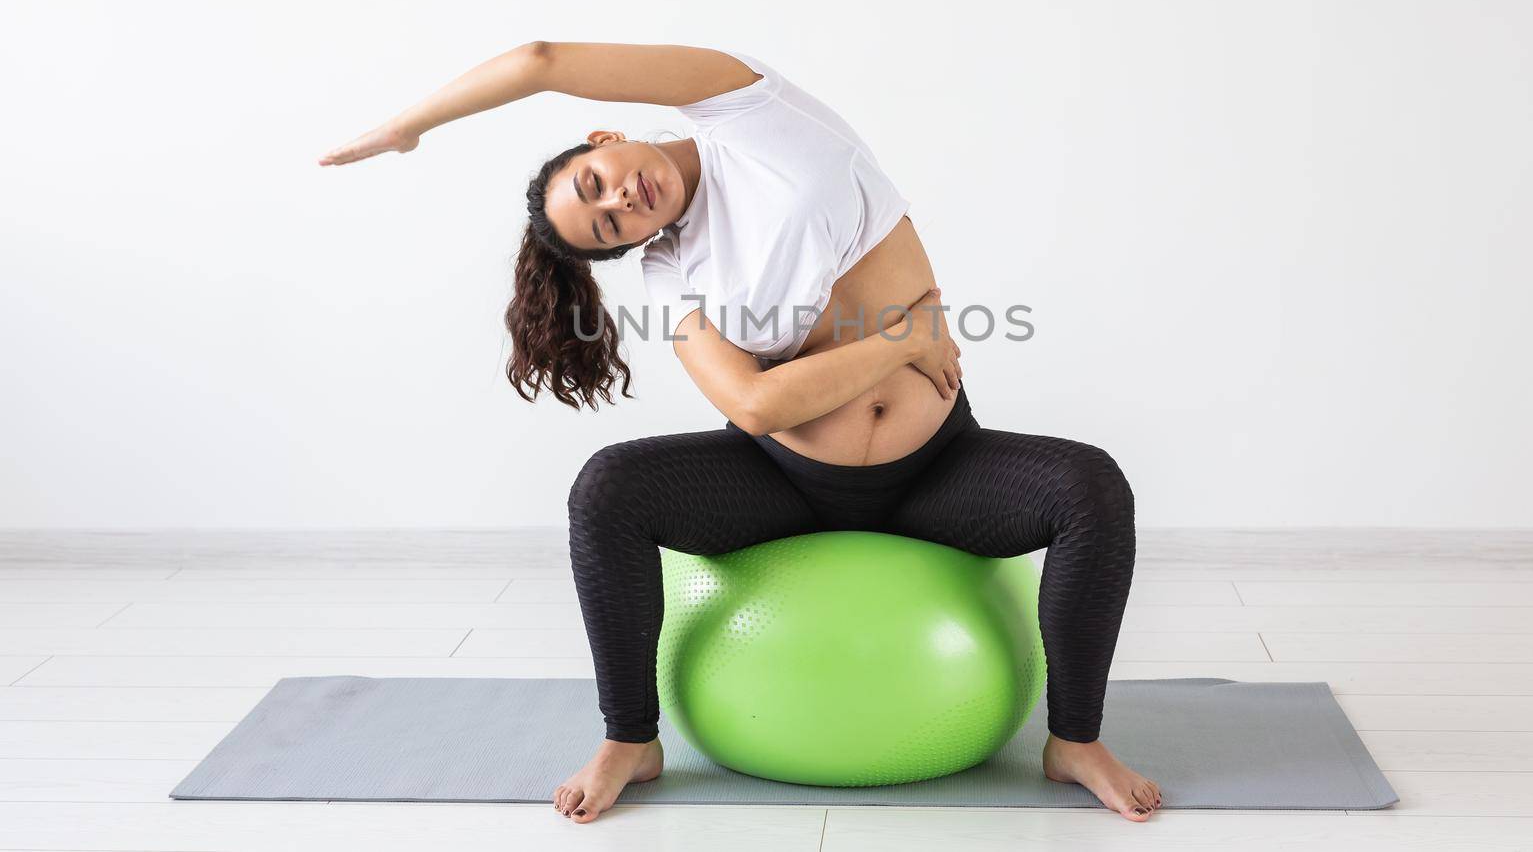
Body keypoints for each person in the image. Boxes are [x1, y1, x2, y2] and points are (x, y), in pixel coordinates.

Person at [321, 42, 1160, 824]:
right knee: (608, 486)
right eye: (608, 225)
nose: (620, 202)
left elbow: (542, 60)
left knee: (1090, 486)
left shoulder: (742, 108)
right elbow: (756, 408)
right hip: (783, 483)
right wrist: (906, 338)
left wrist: (410, 125)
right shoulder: (671, 263)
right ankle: (630, 738)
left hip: (937, 471)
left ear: (604, 137)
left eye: (597, 184)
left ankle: (1074, 741)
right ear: (634, 246)